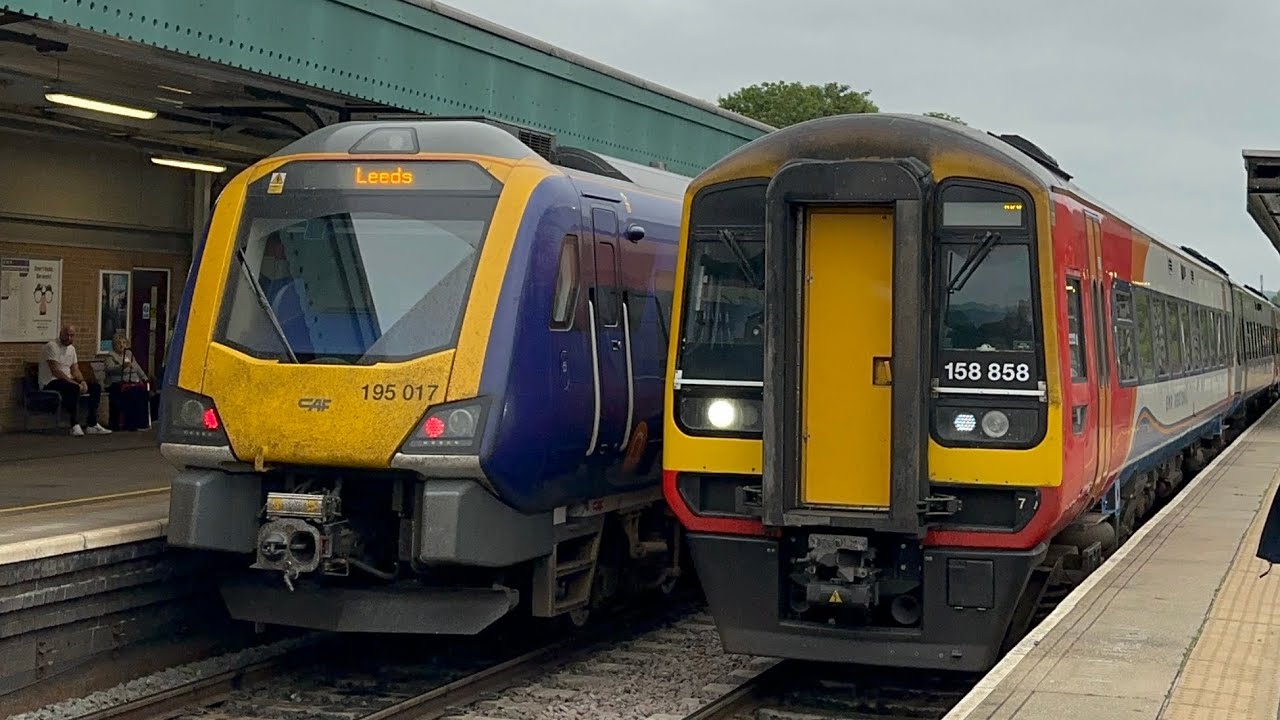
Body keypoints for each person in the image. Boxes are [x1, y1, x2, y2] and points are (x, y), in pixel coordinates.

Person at [39, 324, 111, 436]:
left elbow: (75, 369)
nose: (69, 338)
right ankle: (74, 425)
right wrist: (73, 383)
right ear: (60, 334)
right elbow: (55, 371)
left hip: (67, 380)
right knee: (72, 388)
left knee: (95, 387)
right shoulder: (51, 346)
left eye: (72, 336)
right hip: (50, 381)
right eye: (66, 335)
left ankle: (92, 424)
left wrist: (82, 381)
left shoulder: (71, 349)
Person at [103, 330, 150, 431]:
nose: (121, 345)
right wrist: (122, 367)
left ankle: (141, 423)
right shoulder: (111, 356)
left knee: (142, 393)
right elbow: (109, 369)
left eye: (124, 343)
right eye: (119, 343)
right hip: (117, 383)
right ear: (114, 345)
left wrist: (145, 378)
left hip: (132, 382)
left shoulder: (129, 354)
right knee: (130, 394)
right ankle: (129, 424)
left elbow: (137, 368)